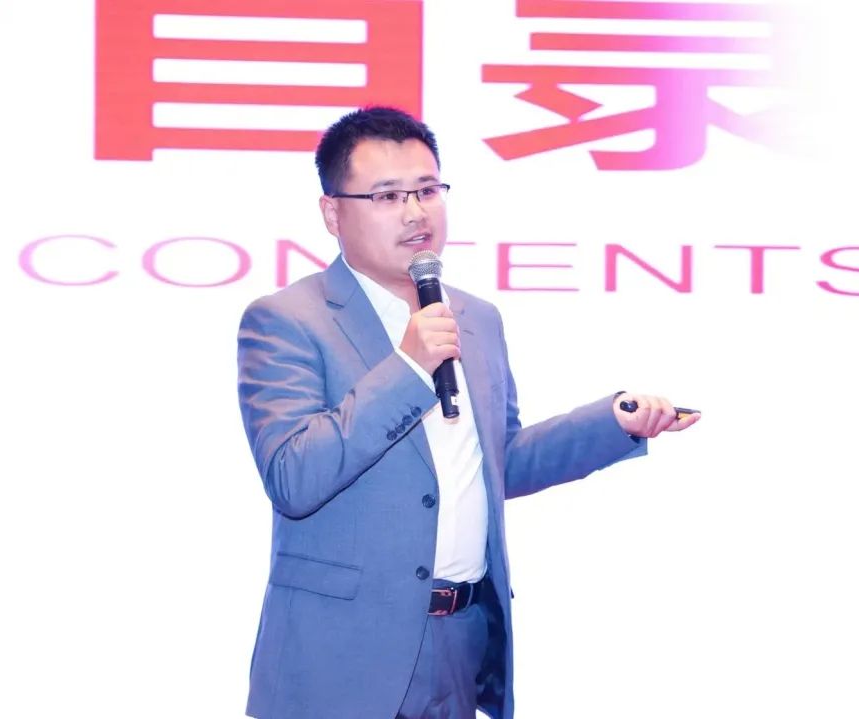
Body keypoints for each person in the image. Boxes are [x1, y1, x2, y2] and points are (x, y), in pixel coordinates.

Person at [236, 106, 700, 719]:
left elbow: (498, 462)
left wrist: (611, 423)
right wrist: (408, 368)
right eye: (387, 196)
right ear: (332, 212)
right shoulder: (287, 320)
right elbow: (294, 476)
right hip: (339, 659)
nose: (415, 213)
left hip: (457, 646)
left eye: (428, 190)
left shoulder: (475, 318)